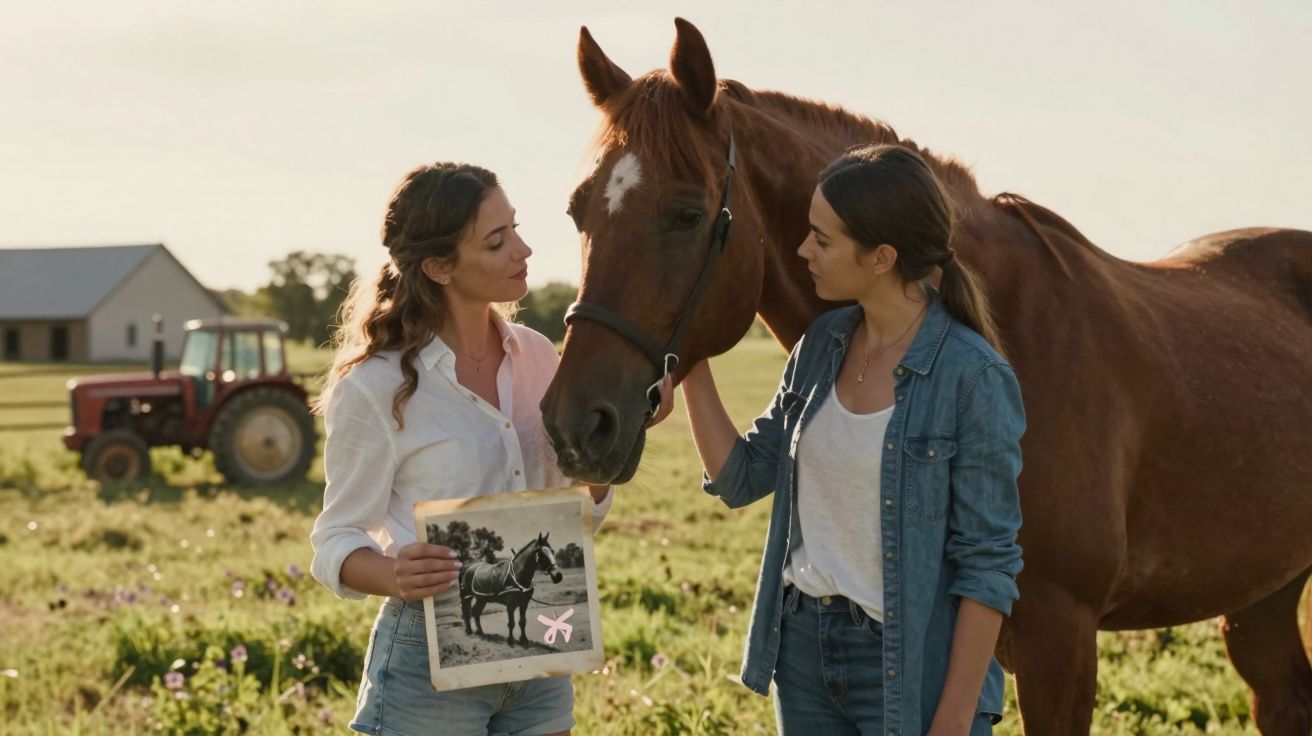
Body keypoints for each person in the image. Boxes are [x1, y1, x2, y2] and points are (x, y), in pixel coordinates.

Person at [650, 144, 1025, 735]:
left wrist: (954, 717)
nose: (802, 251)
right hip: (801, 650)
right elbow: (741, 476)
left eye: (822, 240)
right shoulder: (821, 344)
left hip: (906, 667)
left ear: (881, 257)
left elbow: (987, 567)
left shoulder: (973, 378)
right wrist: (690, 362)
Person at [309, 162, 612, 736]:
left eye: (515, 228)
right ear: (439, 266)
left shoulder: (541, 357)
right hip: (427, 667)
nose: (523, 249)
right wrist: (392, 572)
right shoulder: (376, 388)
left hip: (541, 648)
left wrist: (606, 456)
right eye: (497, 242)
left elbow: (576, 510)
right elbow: (334, 541)